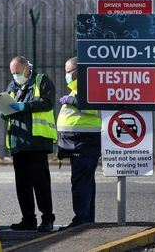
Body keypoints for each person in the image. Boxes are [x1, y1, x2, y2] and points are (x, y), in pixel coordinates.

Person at [4, 56, 57, 232]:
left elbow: (47, 103)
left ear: (27, 69)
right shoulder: (12, 86)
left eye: (18, 72)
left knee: (40, 182)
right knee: (22, 184)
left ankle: (47, 219)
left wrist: (23, 106)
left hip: (36, 142)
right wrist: (4, 110)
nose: (15, 76)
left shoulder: (42, 81)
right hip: (18, 142)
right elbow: (8, 107)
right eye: (13, 73)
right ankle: (28, 219)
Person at [57, 57, 101, 228]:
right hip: (79, 143)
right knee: (85, 184)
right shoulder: (76, 89)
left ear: (78, 71)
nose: (66, 75)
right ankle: (86, 220)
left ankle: (81, 220)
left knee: (81, 184)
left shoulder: (88, 86)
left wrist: (72, 101)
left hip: (84, 143)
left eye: (69, 71)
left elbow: (93, 106)